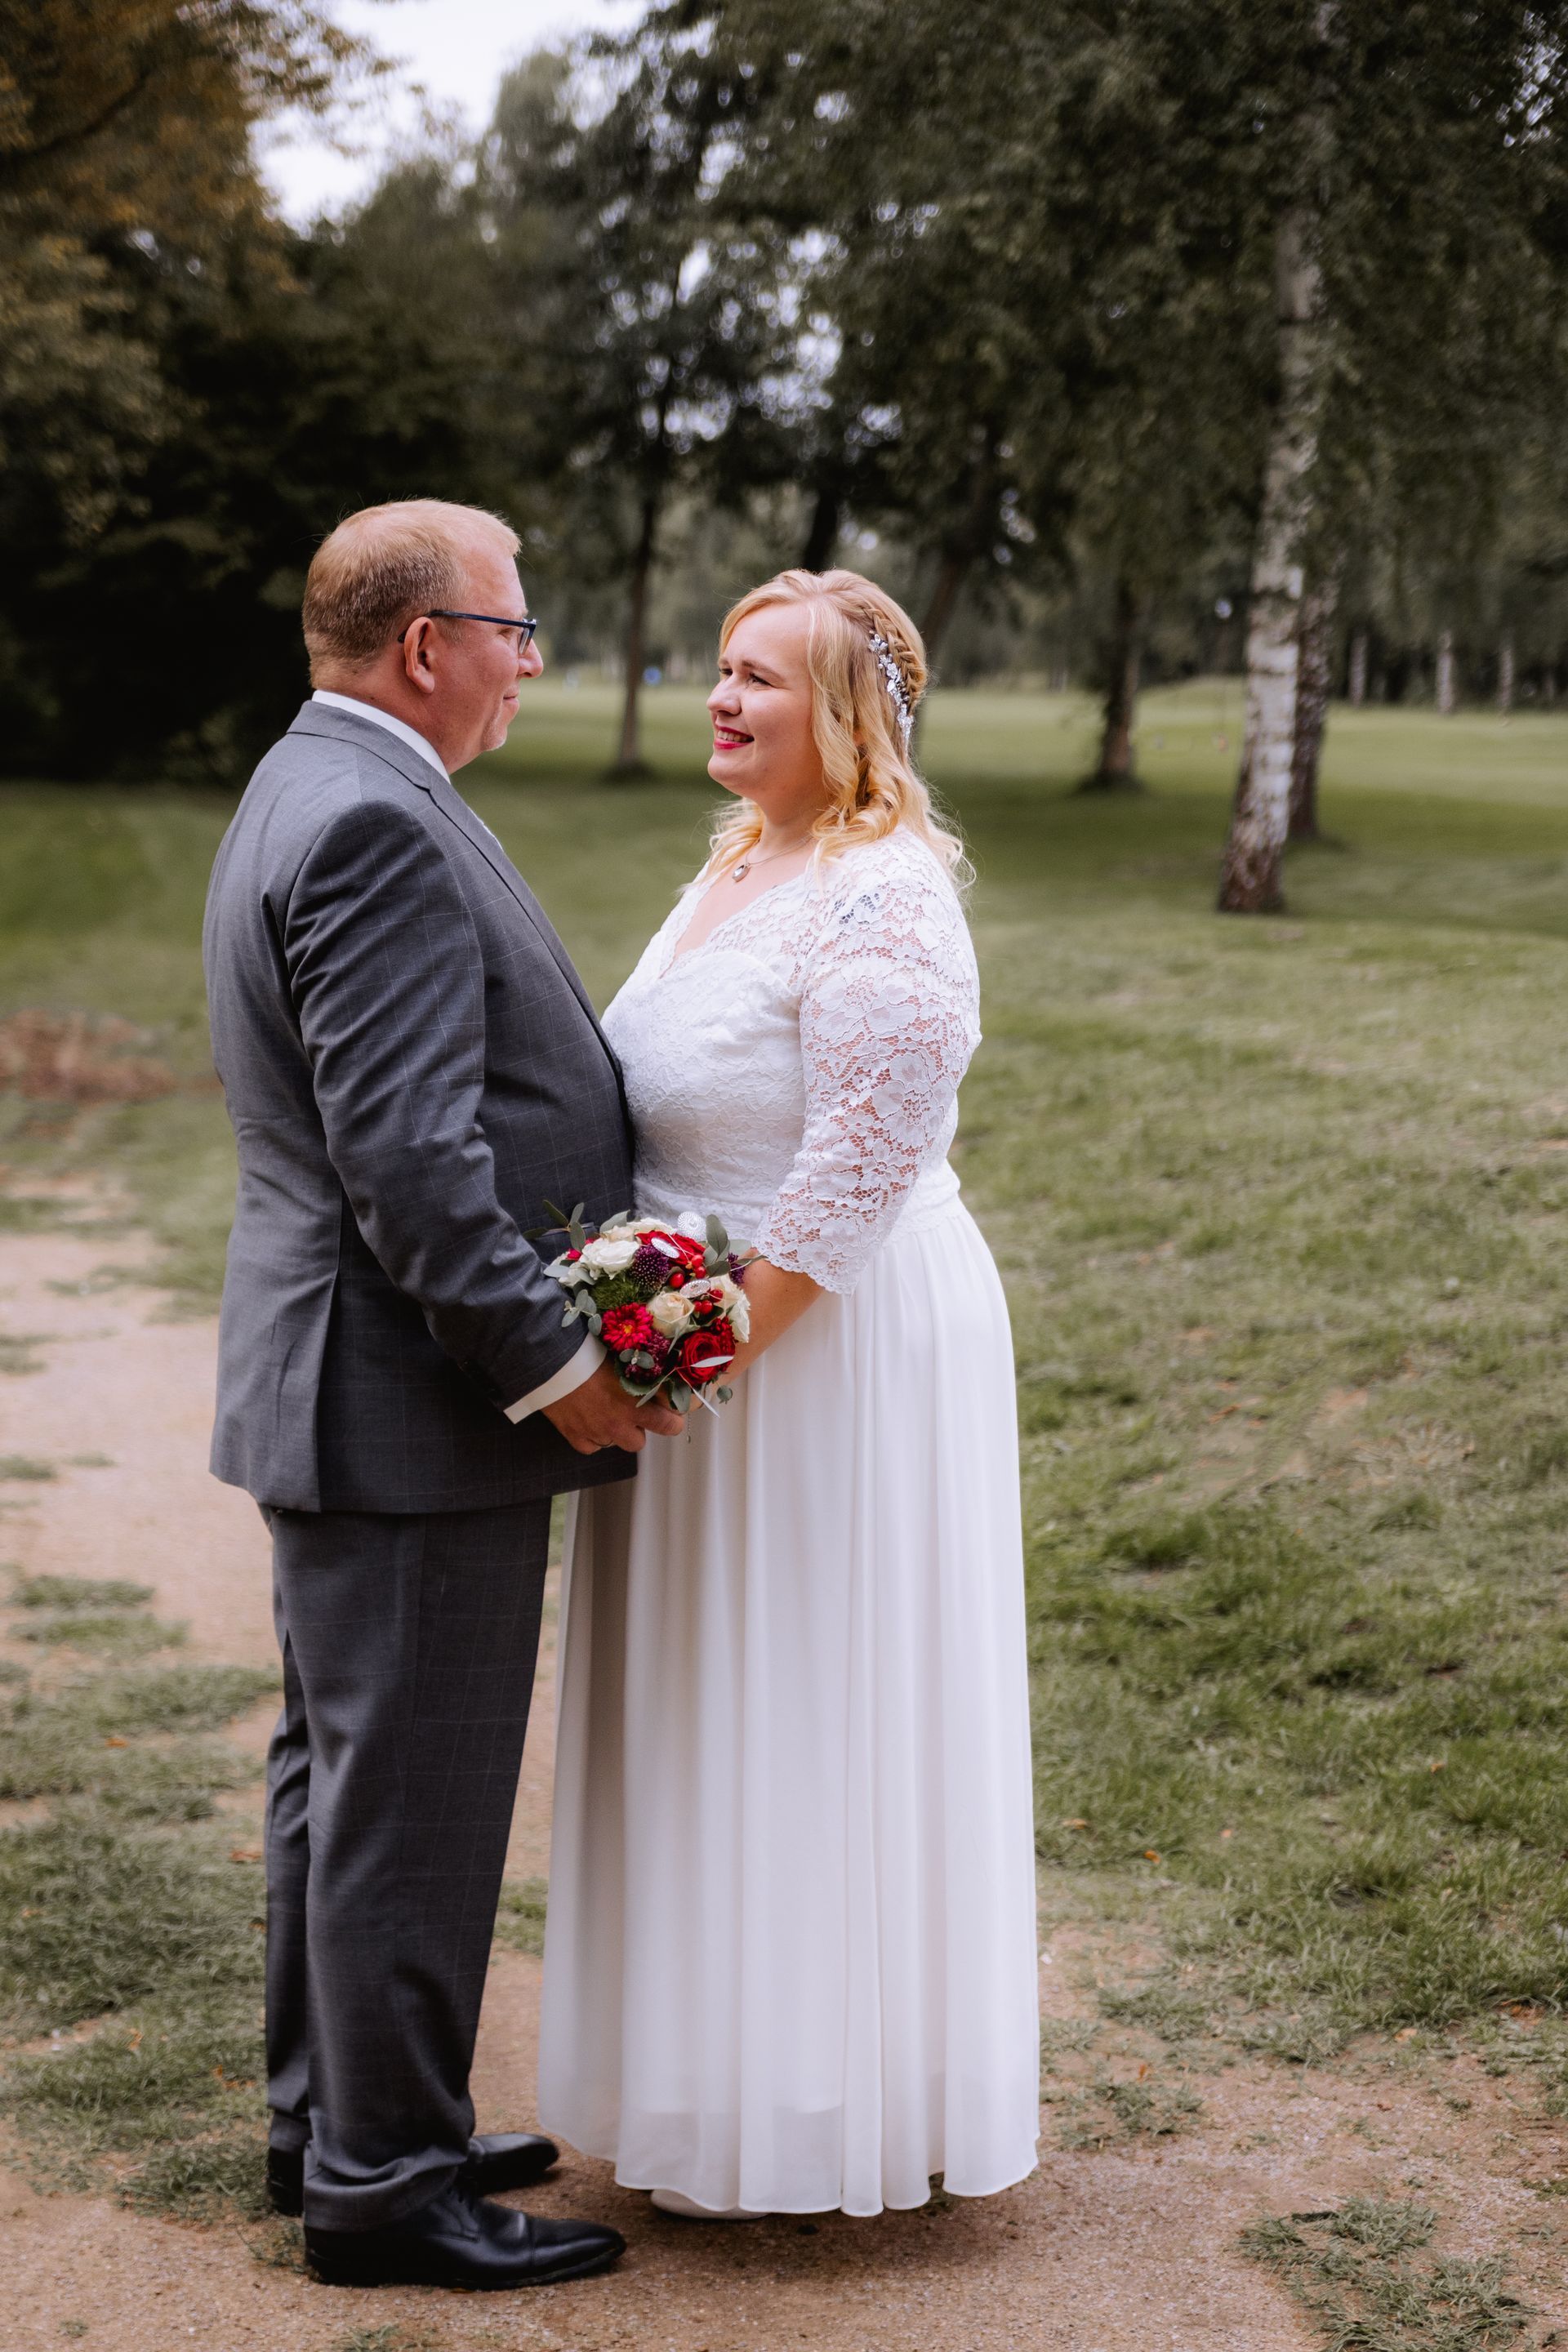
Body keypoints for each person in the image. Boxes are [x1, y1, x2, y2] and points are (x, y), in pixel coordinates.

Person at [202, 498, 680, 2291]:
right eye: (515, 627)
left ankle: (335, 2120)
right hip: (406, 1403)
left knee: (343, 1778)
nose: (528, 662)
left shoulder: (309, 780)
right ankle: (387, 2187)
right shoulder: (373, 822)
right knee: (405, 1794)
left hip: (340, 1384)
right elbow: (408, 1161)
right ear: (427, 647)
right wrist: (556, 1368)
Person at [539, 568, 1040, 2221]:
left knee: (817, 1696)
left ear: (846, 717)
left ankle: (841, 2098)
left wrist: (700, 1353)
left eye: (761, 678)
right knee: (708, 1701)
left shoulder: (885, 894)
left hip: (827, 1346)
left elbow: (858, 1168)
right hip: (708, 1340)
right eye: (722, 667)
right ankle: (707, 2079)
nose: (722, 697)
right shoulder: (741, 863)